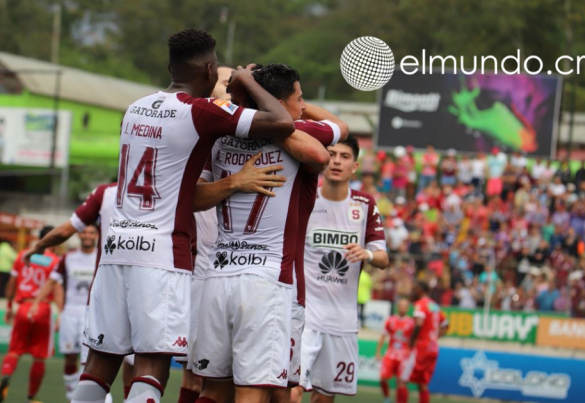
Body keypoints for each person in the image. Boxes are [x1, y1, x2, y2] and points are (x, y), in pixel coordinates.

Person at [75, 29, 295, 403]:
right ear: (210, 70)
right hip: (160, 254)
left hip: (116, 250)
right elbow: (283, 121)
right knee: (151, 366)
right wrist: (244, 80)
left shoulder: (136, 107)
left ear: (170, 67)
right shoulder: (201, 112)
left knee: (98, 366)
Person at [192, 63, 340, 403]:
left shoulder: (216, 135)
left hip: (218, 276)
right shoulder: (299, 133)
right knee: (257, 389)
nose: (303, 107)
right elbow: (328, 145)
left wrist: (229, 181)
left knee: (212, 388)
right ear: (278, 102)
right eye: (299, 100)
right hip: (267, 280)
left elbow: (193, 199)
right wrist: (272, 122)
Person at [297, 136, 389, 402]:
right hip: (304, 316)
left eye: (345, 157)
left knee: (324, 398)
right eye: (332, 155)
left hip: (342, 321)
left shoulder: (365, 204)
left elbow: (383, 258)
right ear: (323, 160)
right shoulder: (305, 197)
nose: (337, 161)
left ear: (355, 167)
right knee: (290, 392)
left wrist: (367, 253)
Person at [28, 225, 99, 402]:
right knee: (69, 358)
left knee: (88, 361)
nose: (88, 235)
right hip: (70, 312)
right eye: (84, 232)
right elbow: (52, 281)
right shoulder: (68, 257)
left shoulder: (102, 256)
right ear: (79, 234)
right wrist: (36, 302)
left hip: (92, 315)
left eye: (92, 232)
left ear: (97, 235)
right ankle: (71, 397)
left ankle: (87, 398)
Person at [0, 226, 59, 403]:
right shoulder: (54, 261)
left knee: (14, 351)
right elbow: (57, 287)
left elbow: (11, 282)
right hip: (43, 309)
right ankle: (31, 397)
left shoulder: (23, 255)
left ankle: (5, 377)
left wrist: (9, 305)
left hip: (23, 308)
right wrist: (60, 313)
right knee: (39, 357)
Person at [401, 281, 448, 403]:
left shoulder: (421, 304)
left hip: (420, 348)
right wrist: (434, 338)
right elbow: (446, 325)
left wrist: (411, 342)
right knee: (422, 384)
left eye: (415, 288)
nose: (413, 291)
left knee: (401, 380)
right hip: (433, 348)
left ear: (420, 290)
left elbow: (419, 323)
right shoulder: (434, 306)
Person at [376, 298, 414, 403]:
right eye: (400, 305)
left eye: (404, 306)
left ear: (407, 308)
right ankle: (387, 398)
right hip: (391, 354)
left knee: (401, 382)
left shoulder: (411, 323)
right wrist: (378, 352)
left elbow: (413, 341)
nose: (402, 308)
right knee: (382, 378)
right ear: (397, 307)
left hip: (404, 356)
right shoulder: (390, 320)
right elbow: (383, 336)